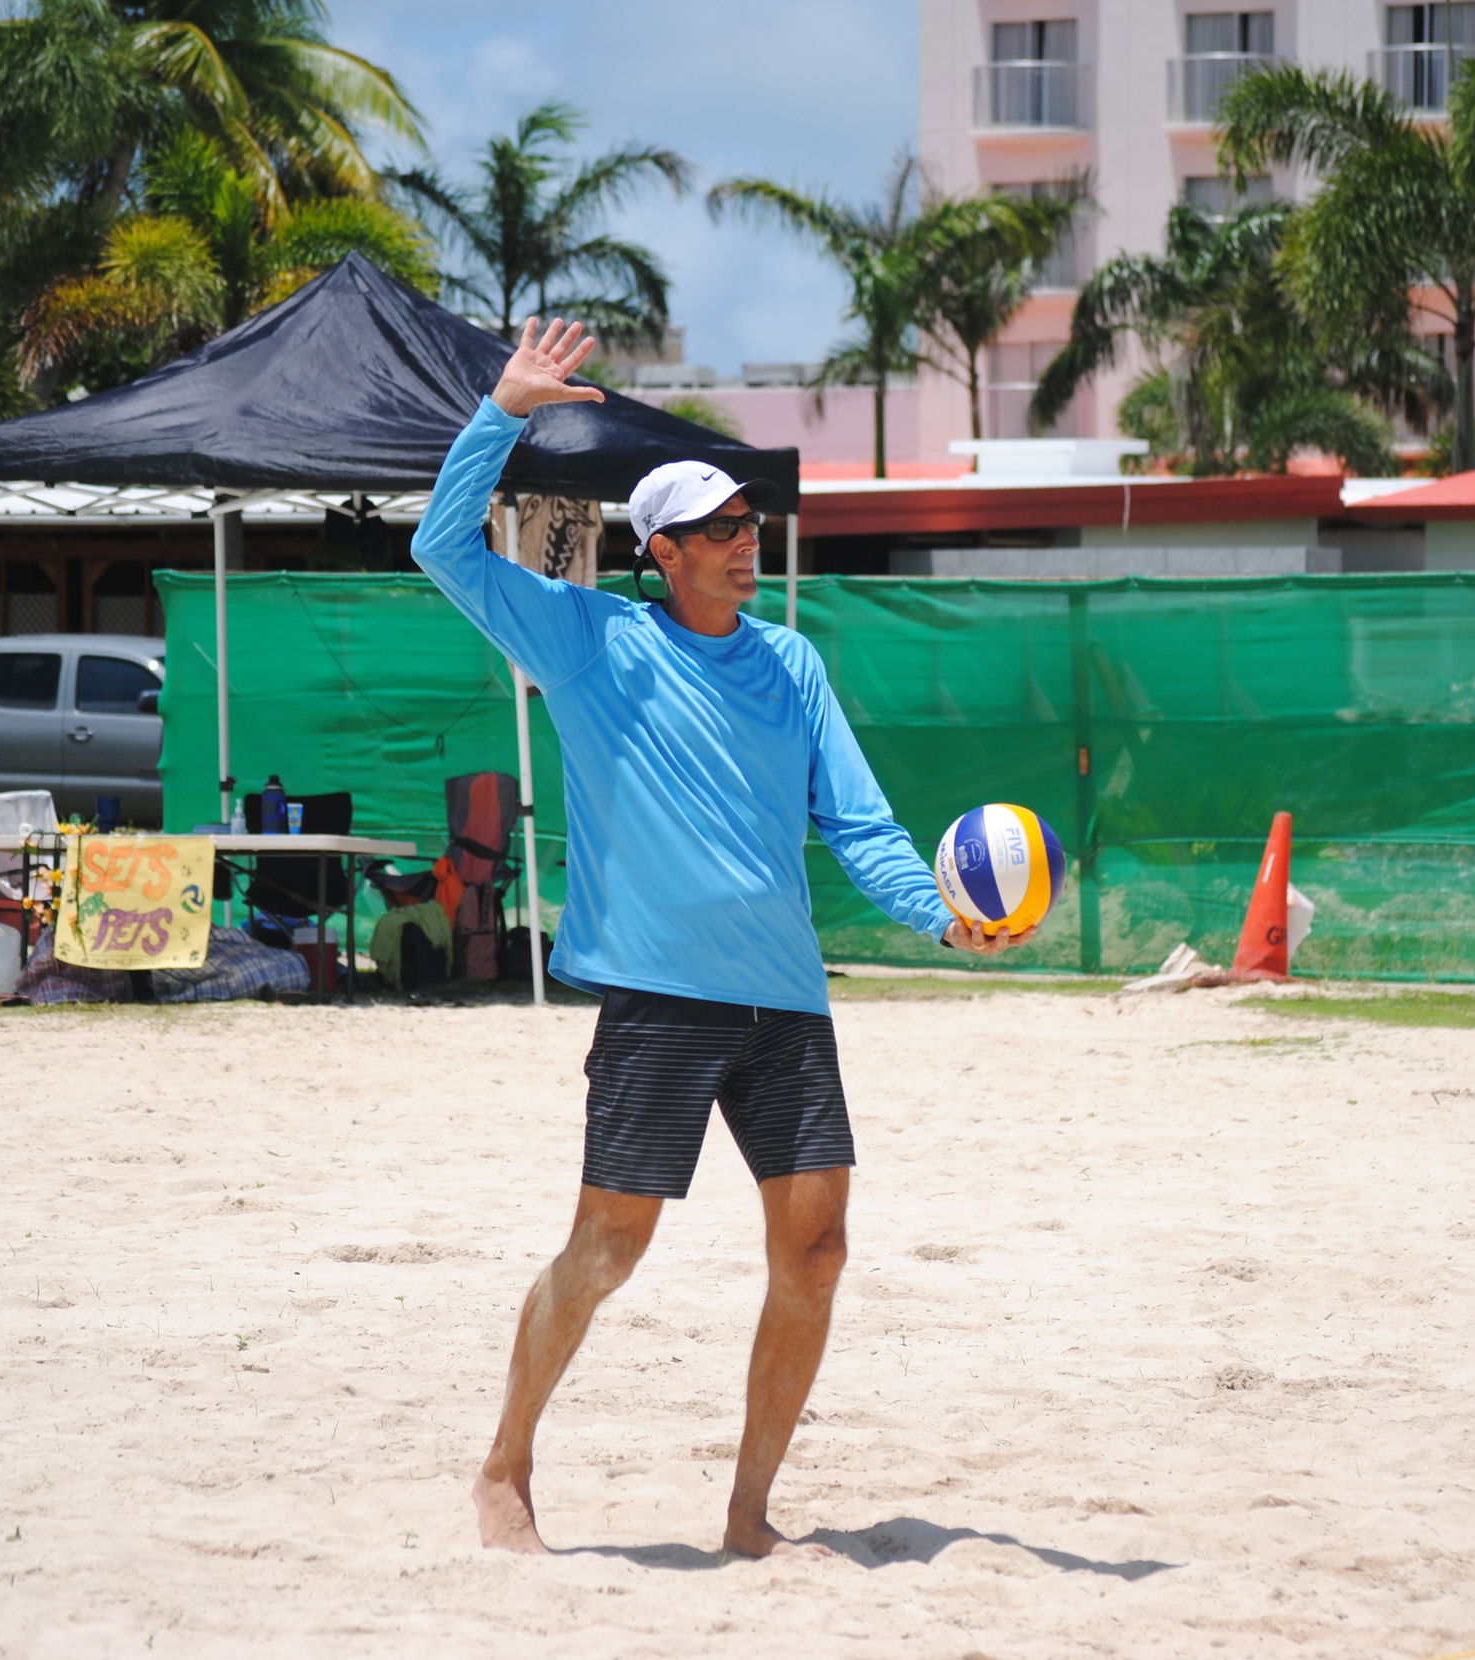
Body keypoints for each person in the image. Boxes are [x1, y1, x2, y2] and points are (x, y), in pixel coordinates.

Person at [412, 317, 1034, 1559]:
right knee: (607, 1248)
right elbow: (443, 551)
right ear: (664, 551)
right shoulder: (592, 642)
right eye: (719, 528)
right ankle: (505, 1464)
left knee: (816, 1251)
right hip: (656, 996)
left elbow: (858, 827)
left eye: (749, 523)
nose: (746, 540)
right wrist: (504, 409)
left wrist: (942, 916)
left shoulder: (791, 664)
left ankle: (749, 1514)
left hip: (785, 1004)